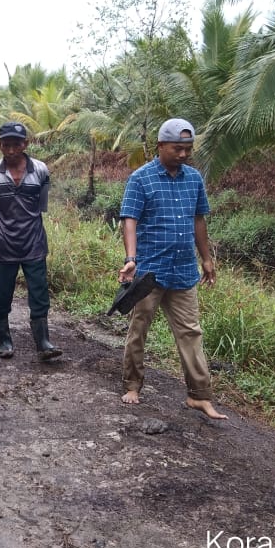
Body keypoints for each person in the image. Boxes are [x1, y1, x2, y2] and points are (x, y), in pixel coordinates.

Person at [117, 118, 227, 420]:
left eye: (188, 149)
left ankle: (199, 395)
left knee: (191, 332)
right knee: (139, 328)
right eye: (177, 148)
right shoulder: (141, 179)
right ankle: (133, 385)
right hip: (149, 272)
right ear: (160, 146)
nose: (183, 154)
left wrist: (206, 258)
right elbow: (130, 219)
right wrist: (131, 257)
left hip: (183, 271)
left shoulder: (194, 179)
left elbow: (198, 220)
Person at [0, 121, 62, 362]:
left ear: (25, 144)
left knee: (39, 295)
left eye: (16, 144)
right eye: (6, 145)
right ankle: (3, 341)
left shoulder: (40, 170)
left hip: (34, 243)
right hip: (3, 245)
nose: (11, 149)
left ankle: (43, 342)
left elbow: (41, 206)